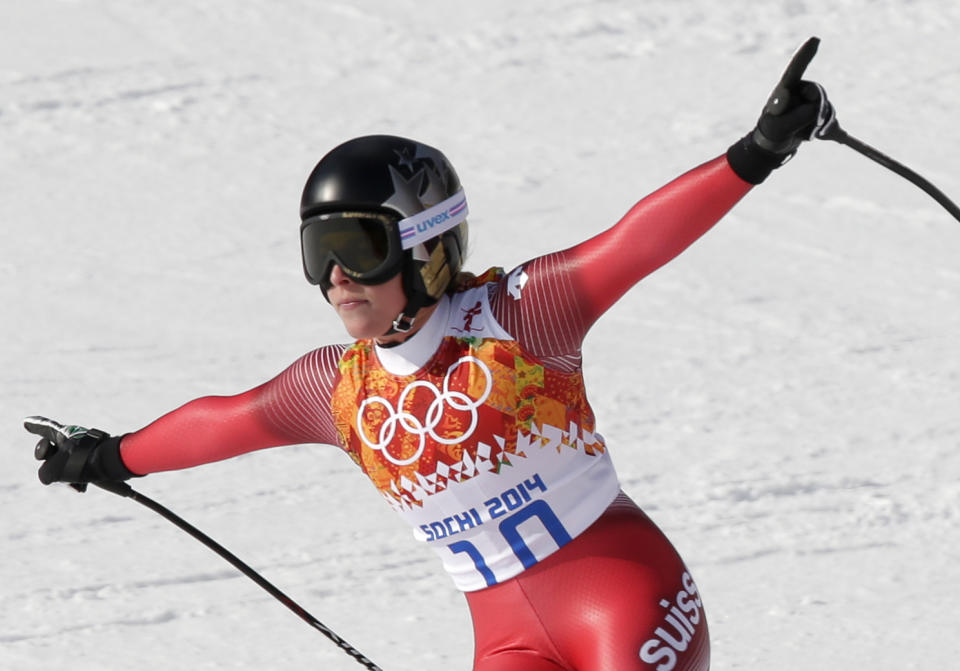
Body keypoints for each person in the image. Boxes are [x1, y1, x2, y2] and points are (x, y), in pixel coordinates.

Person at [25, 42, 835, 671]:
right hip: (508, 640)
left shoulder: (520, 317)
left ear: (427, 246)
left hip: (627, 598)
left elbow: (634, 242)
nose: (338, 276)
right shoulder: (334, 389)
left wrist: (755, 152)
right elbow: (225, 422)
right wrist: (111, 455)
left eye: (358, 245)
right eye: (319, 252)